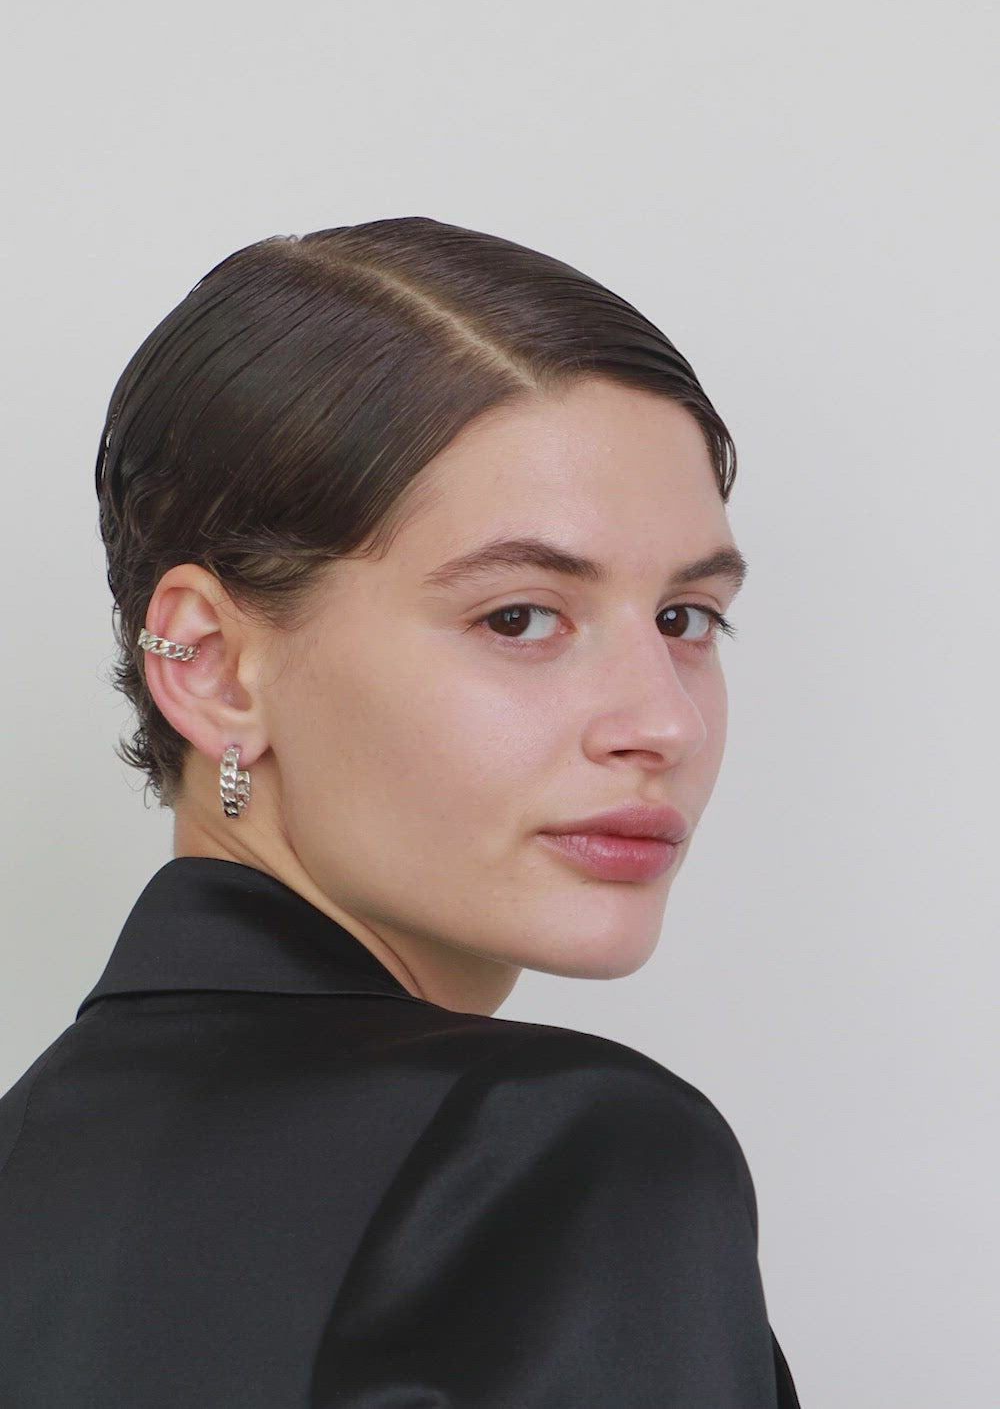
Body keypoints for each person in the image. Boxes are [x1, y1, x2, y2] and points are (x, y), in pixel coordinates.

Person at [0, 217, 801, 1406]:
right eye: (519, 617)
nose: (662, 723)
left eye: (685, 619)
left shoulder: (27, 1172)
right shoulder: (548, 1150)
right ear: (213, 668)